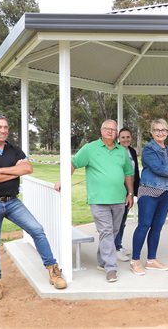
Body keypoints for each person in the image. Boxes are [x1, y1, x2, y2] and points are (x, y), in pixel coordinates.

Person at [0, 114, 66, 300]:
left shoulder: (14, 150)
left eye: (6, 127)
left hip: (13, 202)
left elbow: (27, 169)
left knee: (37, 230)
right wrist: (12, 171)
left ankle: (53, 271)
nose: (3, 130)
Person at [54, 119, 134, 283]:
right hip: (98, 199)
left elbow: (127, 173)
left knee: (112, 232)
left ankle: (101, 260)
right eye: (107, 129)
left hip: (119, 199)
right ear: (101, 130)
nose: (110, 132)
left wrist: (130, 193)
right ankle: (110, 267)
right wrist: (63, 180)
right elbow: (73, 163)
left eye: (113, 130)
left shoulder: (121, 151)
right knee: (106, 231)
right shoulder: (90, 148)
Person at [130, 119, 168, 276]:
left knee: (157, 227)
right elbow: (159, 169)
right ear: (152, 132)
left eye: (164, 130)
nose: (161, 133)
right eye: (157, 130)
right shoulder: (149, 149)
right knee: (144, 225)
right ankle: (135, 261)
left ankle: (151, 260)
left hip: (165, 193)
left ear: (167, 132)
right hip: (149, 191)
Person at [114, 127, 140, 262]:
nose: (125, 140)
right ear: (118, 138)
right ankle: (116, 248)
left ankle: (118, 245)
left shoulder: (132, 151)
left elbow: (135, 172)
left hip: (129, 191)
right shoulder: (115, 151)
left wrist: (135, 190)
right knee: (118, 221)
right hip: (119, 191)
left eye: (128, 137)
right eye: (123, 137)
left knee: (123, 221)